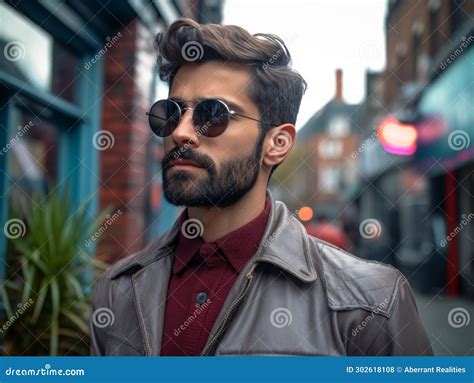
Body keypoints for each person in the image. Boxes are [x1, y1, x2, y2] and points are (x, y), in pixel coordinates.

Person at [90, 18, 433, 356]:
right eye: (171, 112)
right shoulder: (118, 290)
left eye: (212, 114)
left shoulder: (370, 303)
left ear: (277, 143)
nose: (180, 132)